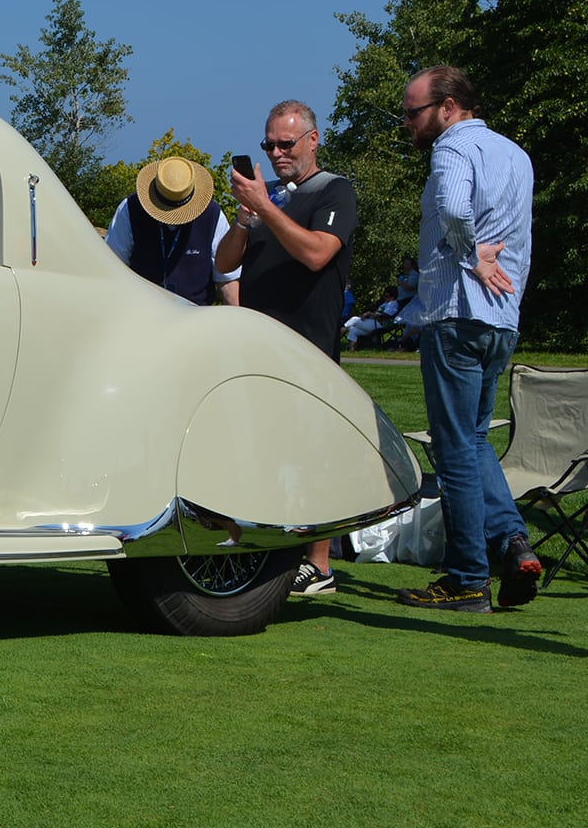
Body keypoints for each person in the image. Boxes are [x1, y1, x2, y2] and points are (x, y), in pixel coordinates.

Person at [393, 65, 539, 613]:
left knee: (454, 449)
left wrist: (468, 249)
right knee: (476, 441)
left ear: (448, 107)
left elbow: (454, 208)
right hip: (501, 318)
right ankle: (513, 544)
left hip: (456, 314)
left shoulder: (452, 149)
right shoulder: (516, 154)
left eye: (414, 113)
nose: (408, 124)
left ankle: (466, 578)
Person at [217, 99, 358, 595]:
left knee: (312, 451)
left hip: (310, 343)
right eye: (268, 144)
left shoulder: (333, 190)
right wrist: (244, 218)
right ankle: (269, 549)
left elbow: (318, 253)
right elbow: (224, 262)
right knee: (266, 448)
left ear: (313, 140)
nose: (276, 153)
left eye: (286, 143)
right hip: (261, 342)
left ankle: (319, 565)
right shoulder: (269, 199)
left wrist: (267, 208)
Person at [103, 155, 241, 305]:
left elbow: (227, 280)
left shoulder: (212, 216)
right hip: (140, 312)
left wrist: (239, 321)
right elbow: (111, 267)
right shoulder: (130, 209)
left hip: (195, 317)